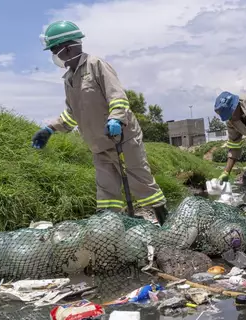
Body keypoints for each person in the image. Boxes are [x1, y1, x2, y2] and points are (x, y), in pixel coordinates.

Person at [32, 21, 168, 225]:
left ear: (67, 48)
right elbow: (72, 114)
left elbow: (118, 98)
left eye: (54, 50)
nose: (54, 56)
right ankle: (110, 231)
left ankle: (165, 223)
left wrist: (116, 118)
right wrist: (50, 128)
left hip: (122, 138)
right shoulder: (69, 78)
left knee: (141, 183)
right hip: (98, 145)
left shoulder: (96, 66)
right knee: (106, 192)